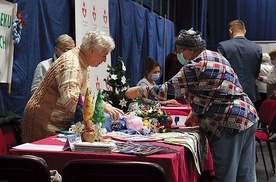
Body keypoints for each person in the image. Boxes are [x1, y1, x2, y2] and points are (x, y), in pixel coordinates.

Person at [125, 28, 258, 182]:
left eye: (180, 50)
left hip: (227, 123)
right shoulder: (217, 56)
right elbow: (219, 88)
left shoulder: (195, 66)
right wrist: (195, 112)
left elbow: (166, 91)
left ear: (189, 50)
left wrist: (139, 91)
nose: (179, 54)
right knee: (245, 175)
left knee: (226, 177)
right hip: (248, 116)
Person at [22, 30, 124, 143]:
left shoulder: (83, 63)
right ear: (92, 51)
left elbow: (84, 96)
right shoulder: (72, 64)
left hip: (54, 123)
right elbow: (72, 100)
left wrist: (104, 105)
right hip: (44, 125)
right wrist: (100, 106)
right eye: (104, 55)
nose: (104, 60)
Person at [217, 20, 262, 107]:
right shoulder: (257, 48)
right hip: (250, 92)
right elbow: (256, 72)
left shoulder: (223, 46)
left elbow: (220, 71)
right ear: (245, 31)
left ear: (230, 31)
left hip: (229, 92)